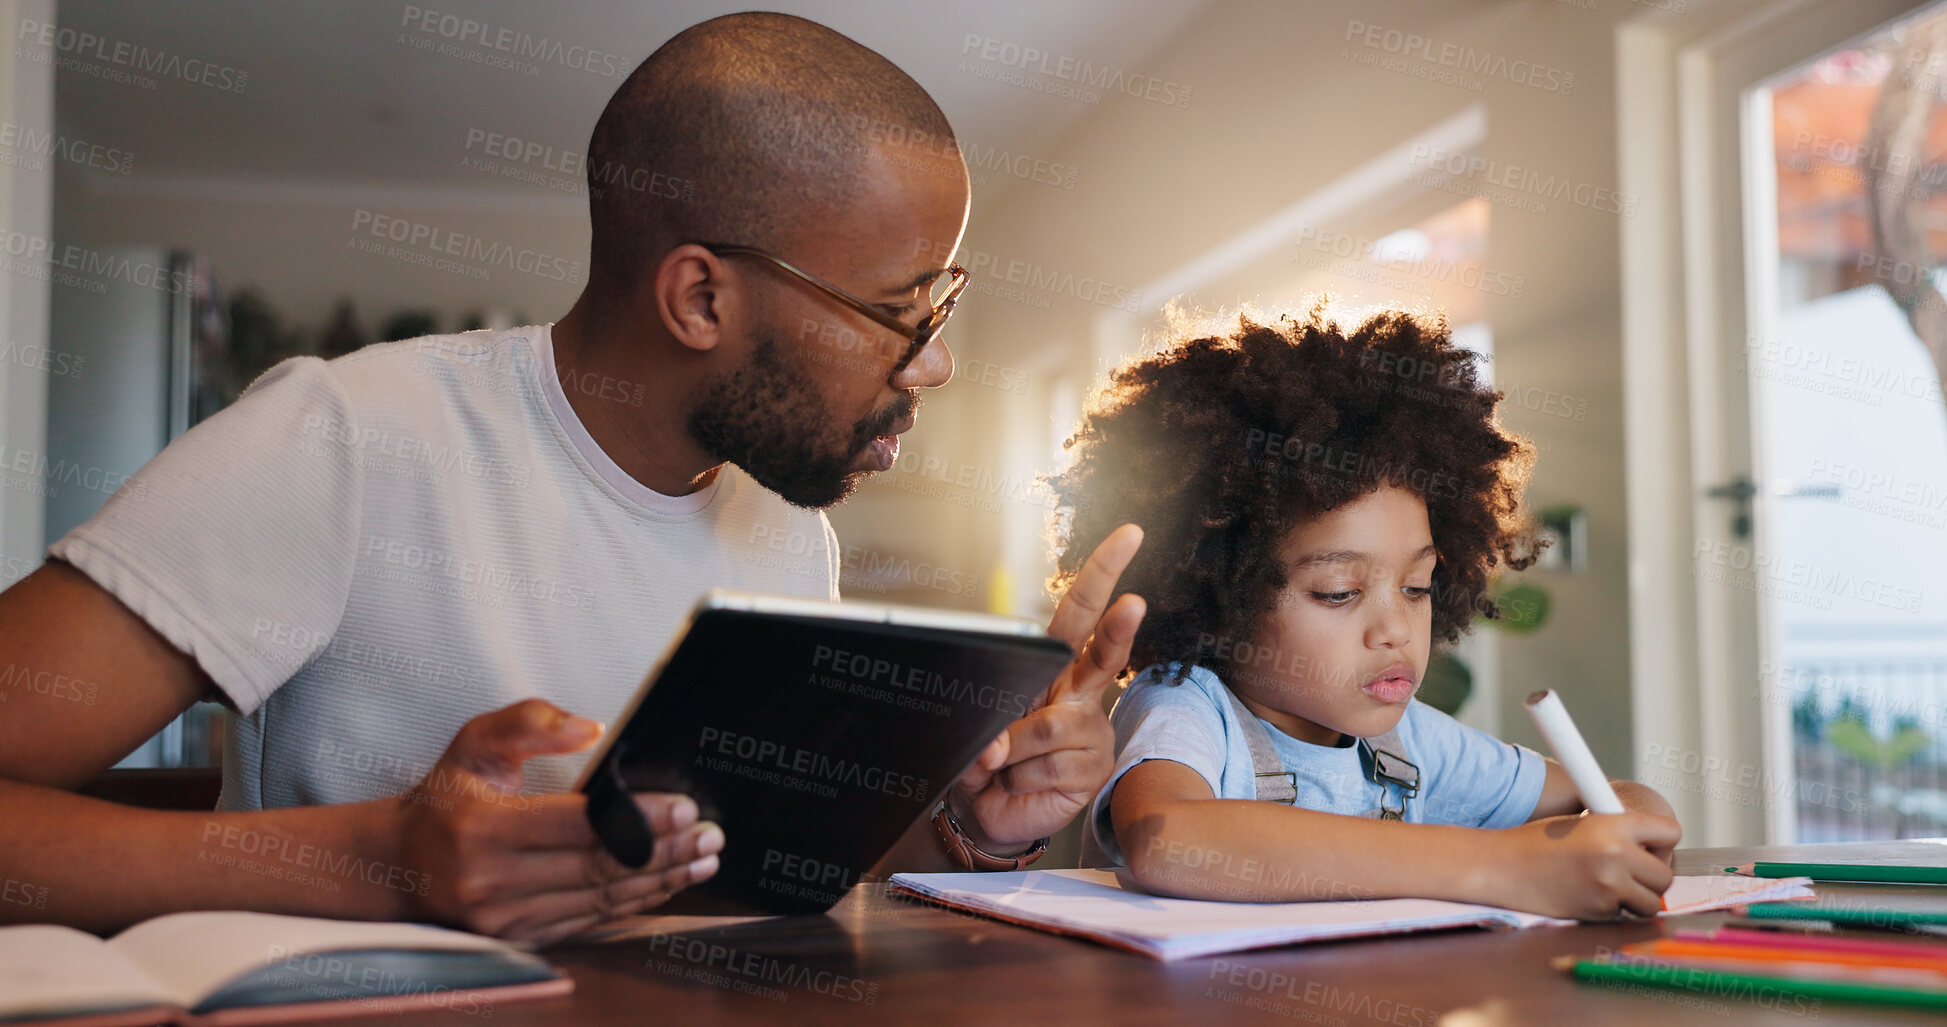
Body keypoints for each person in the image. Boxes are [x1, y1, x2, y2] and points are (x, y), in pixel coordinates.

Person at [0, 13, 1145, 946]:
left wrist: (974, 829)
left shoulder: (780, 525)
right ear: (700, 299)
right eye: (903, 312)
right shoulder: (341, 438)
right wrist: (382, 863)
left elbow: (756, 863)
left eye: (940, 308)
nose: (936, 362)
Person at [1047, 305, 1680, 921]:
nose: (1396, 630)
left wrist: (1632, 820)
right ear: (1219, 603)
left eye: (1417, 588)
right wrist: (1500, 866)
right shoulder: (1187, 707)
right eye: (1338, 593)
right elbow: (1168, 839)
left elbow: (1610, 797)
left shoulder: (1410, 741)